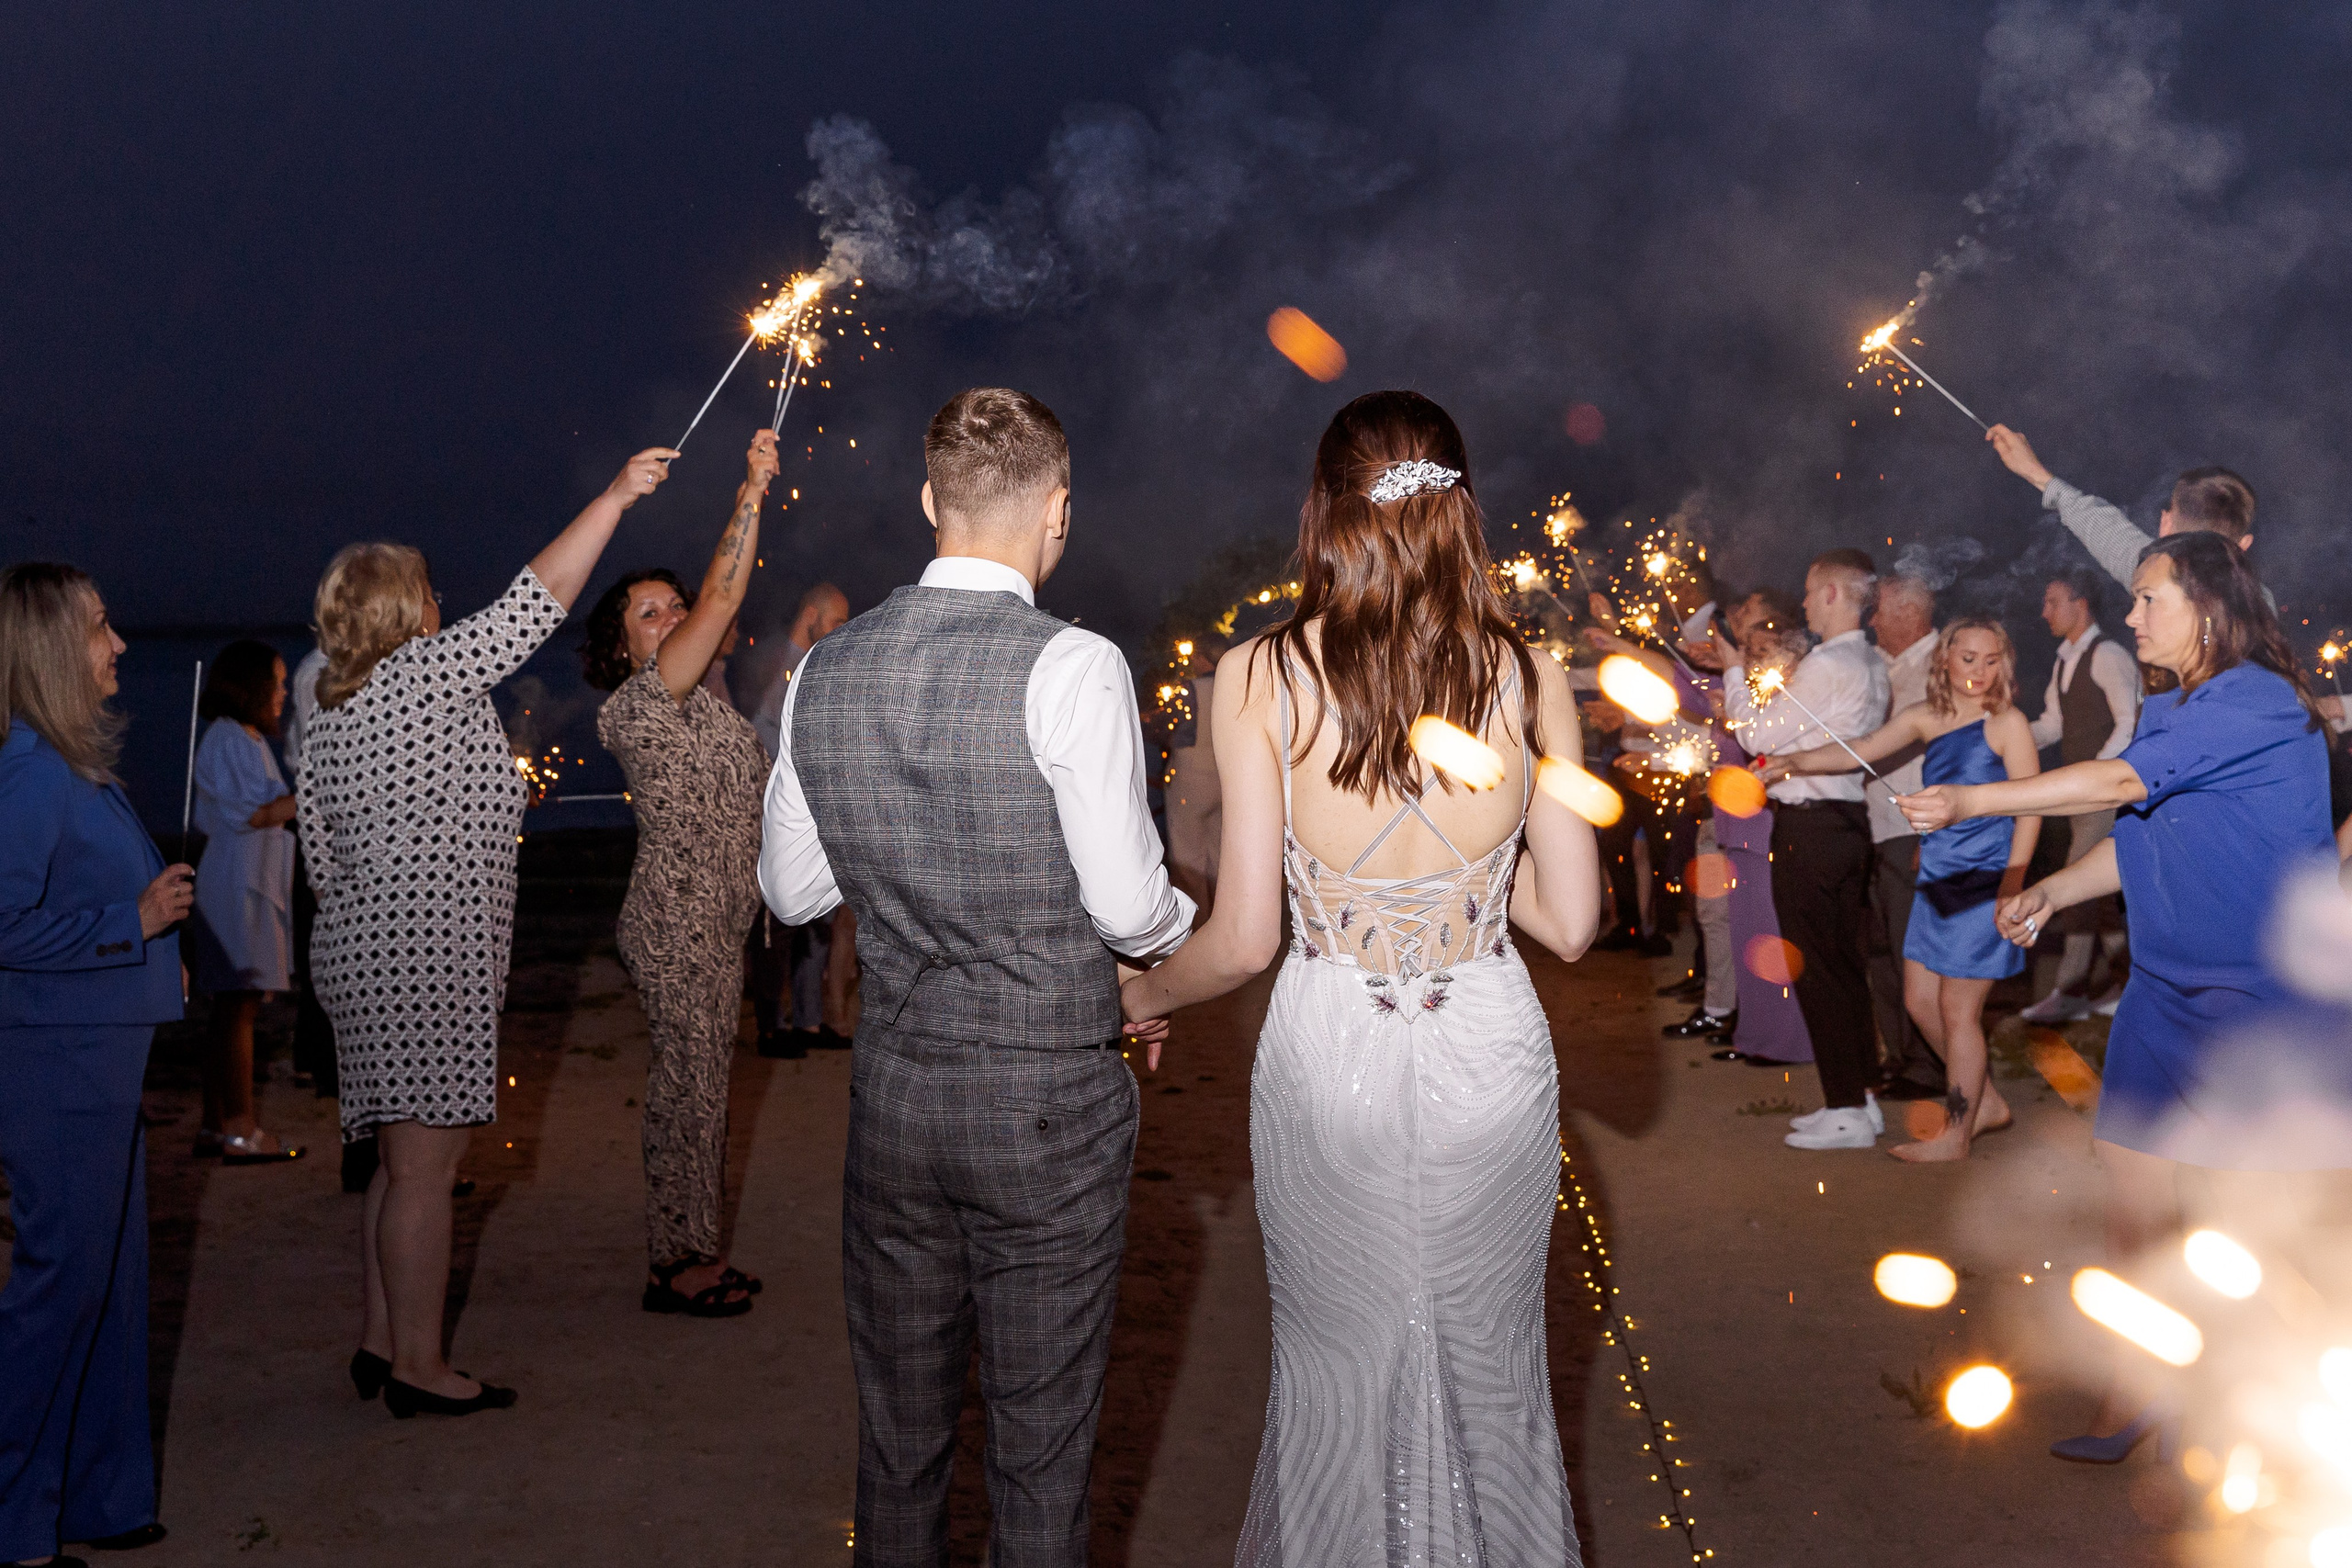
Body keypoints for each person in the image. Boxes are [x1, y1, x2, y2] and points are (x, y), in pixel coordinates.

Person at [1120, 391, 1602, 1567]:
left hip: (1331, 1045)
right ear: (1461, 507)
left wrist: (1137, 998)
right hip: (1488, 1046)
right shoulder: (1528, 675)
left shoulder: (1259, 675)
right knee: (1492, 1371)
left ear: (1323, 507)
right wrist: (1475, 890)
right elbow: (1575, 924)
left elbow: (1240, 941)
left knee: (1335, 1374)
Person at [759, 389, 1193, 1568]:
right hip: (1045, 1107)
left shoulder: (822, 674)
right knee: (1038, 1459)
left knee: (899, 1449)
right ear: (1058, 510)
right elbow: (1127, 910)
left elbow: (794, 895)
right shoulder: (1075, 665)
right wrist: (1187, 921)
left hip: (896, 1103)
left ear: (927, 502)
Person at [1901, 533, 2340, 1457]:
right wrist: (2050, 892)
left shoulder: (2255, 702)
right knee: (2133, 1192)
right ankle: (2140, 1385)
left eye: (2149, 600)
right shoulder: (2171, 704)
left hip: (2256, 1005)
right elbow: (2140, 829)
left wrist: (1978, 803)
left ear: (2210, 610)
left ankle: (2283, 1401)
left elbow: (2114, 781)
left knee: (2255, 1221)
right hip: (2163, 992)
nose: (2131, 616)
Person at [299, 443, 671, 1418]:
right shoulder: (421, 676)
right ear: (403, 612)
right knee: (427, 1170)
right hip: (424, 959)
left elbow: (318, 850)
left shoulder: (322, 702)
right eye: (427, 591)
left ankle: (382, 1343)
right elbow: (534, 600)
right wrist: (615, 497)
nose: (439, 604)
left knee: (395, 1159)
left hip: (355, 951)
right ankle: (421, 1369)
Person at [0, 563, 190, 1565]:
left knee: (113, 1289)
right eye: (100, 630)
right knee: (59, 1291)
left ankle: (98, 1501)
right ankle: (14, 1523)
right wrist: (134, 921)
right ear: (47, 652)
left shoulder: (73, 763)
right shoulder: (29, 768)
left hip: (100, 1060)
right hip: (54, 1064)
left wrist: (159, 939)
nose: (119, 647)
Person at [584, 429, 778, 1318]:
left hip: (720, 918)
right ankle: (677, 1262)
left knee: (703, 1086)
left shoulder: (704, 702)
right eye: (649, 613)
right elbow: (728, 588)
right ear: (625, 648)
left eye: (673, 605)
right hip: (675, 918)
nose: (669, 616)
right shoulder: (639, 704)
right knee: (688, 1091)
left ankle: (689, 1245)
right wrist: (751, 486)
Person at [1764, 618, 2041, 1159]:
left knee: (1960, 1013)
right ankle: (1983, 1102)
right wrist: (1795, 762)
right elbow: (1860, 748)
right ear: (1946, 659)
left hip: (1985, 882)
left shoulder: (2006, 722)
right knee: (1919, 1002)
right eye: (1968, 659)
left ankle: (1957, 1132)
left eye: (1991, 660)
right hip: (1937, 878)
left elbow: (2031, 807)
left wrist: (2013, 881)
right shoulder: (1926, 718)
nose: (1980, 672)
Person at [1721, 548, 1892, 1149]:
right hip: (1843, 820)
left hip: (1815, 827)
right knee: (1842, 965)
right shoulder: (1869, 660)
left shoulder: (1829, 663)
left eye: (1809, 590)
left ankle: (1846, 1105)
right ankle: (1860, 1097)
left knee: (1819, 966)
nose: (1802, 603)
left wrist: (1734, 674)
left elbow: (1756, 735)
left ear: (1831, 594)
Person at [187, 639, 304, 1166]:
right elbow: (251, 813)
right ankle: (240, 1129)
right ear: (251, 685)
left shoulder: (246, 738)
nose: (283, 692)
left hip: (249, 885)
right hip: (235, 888)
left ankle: (216, 1125)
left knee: (231, 1010)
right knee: (237, 1008)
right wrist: (319, 794)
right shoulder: (229, 738)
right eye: (276, 682)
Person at [2018, 570, 2142, 1023]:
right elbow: (2052, 725)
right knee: (2100, 897)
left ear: (2080, 603)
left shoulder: (2107, 655)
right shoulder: (2064, 660)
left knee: (2076, 884)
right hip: (2081, 797)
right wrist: (2002, 735)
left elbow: (2131, 721)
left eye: (2053, 601)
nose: (2044, 612)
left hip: (2105, 794)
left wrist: (2101, 775)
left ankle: (2071, 993)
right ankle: (2129, 986)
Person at [1704, 590, 1816, 1066]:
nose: (1752, 662)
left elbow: (1764, 749)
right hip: (1737, 828)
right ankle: (1754, 1035)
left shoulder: (1786, 704)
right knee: (1747, 940)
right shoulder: (1752, 701)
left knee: (1772, 944)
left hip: (1766, 828)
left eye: (1761, 654)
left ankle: (1788, 1042)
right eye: (1749, 654)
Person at [750, 581, 853, 1058]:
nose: (844, 630)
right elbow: (766, 732)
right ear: (811, 615)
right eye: (836, 621)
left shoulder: (819, 665)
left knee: (819, 926)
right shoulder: (783, 665)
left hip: (818, 816)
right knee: (782, 929)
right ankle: (775, 1026)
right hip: (781, 819)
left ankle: (811, 1023)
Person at [1984, 425, 2255, 585]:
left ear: (2166, 524)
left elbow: (2104, 527)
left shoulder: (2156, 579)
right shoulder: (2260, 609)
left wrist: (2036, 473)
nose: (2133, 618)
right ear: (2244, 546)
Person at [1864, 575, 1944, 1100]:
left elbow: (1951, 757)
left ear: (1910, 614)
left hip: (1913, 831)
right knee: (1880, 949)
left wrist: (1933, 837)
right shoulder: (1885, 665)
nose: (1871, 620)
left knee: (1909, 951)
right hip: (1876, 825)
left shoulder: (1941, 667)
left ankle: (1928, 1065)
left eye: (1880, 611)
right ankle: (1898, 1055)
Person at [1163, 634, 1227, 911]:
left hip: (1190, 778)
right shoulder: (1233, 684)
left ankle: (1197, 919)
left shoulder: (1191, 688)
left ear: (1202, 658)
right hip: (1222, 779)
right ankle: (1223, 912)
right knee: (1219, 850)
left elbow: (1179, 733)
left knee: (1187, 852)